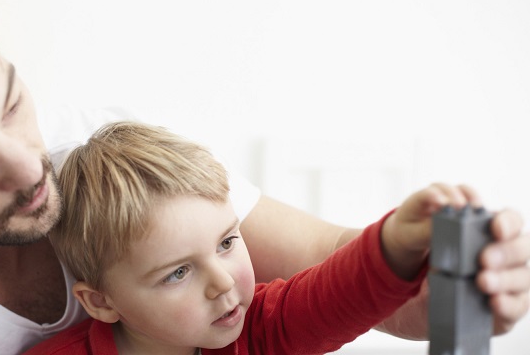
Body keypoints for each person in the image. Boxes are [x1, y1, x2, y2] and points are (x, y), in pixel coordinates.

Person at [0, 0, 529, 354]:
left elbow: (332, 275)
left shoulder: (105, 158)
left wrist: (447, 279)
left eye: (13, 103)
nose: (29, 167)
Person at [24, 121, 478, 354]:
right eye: (178, 272)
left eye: (226, 242)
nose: (223, 282)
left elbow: (336, 293)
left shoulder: (260, 329)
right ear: (102, 301)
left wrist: (396, 243)